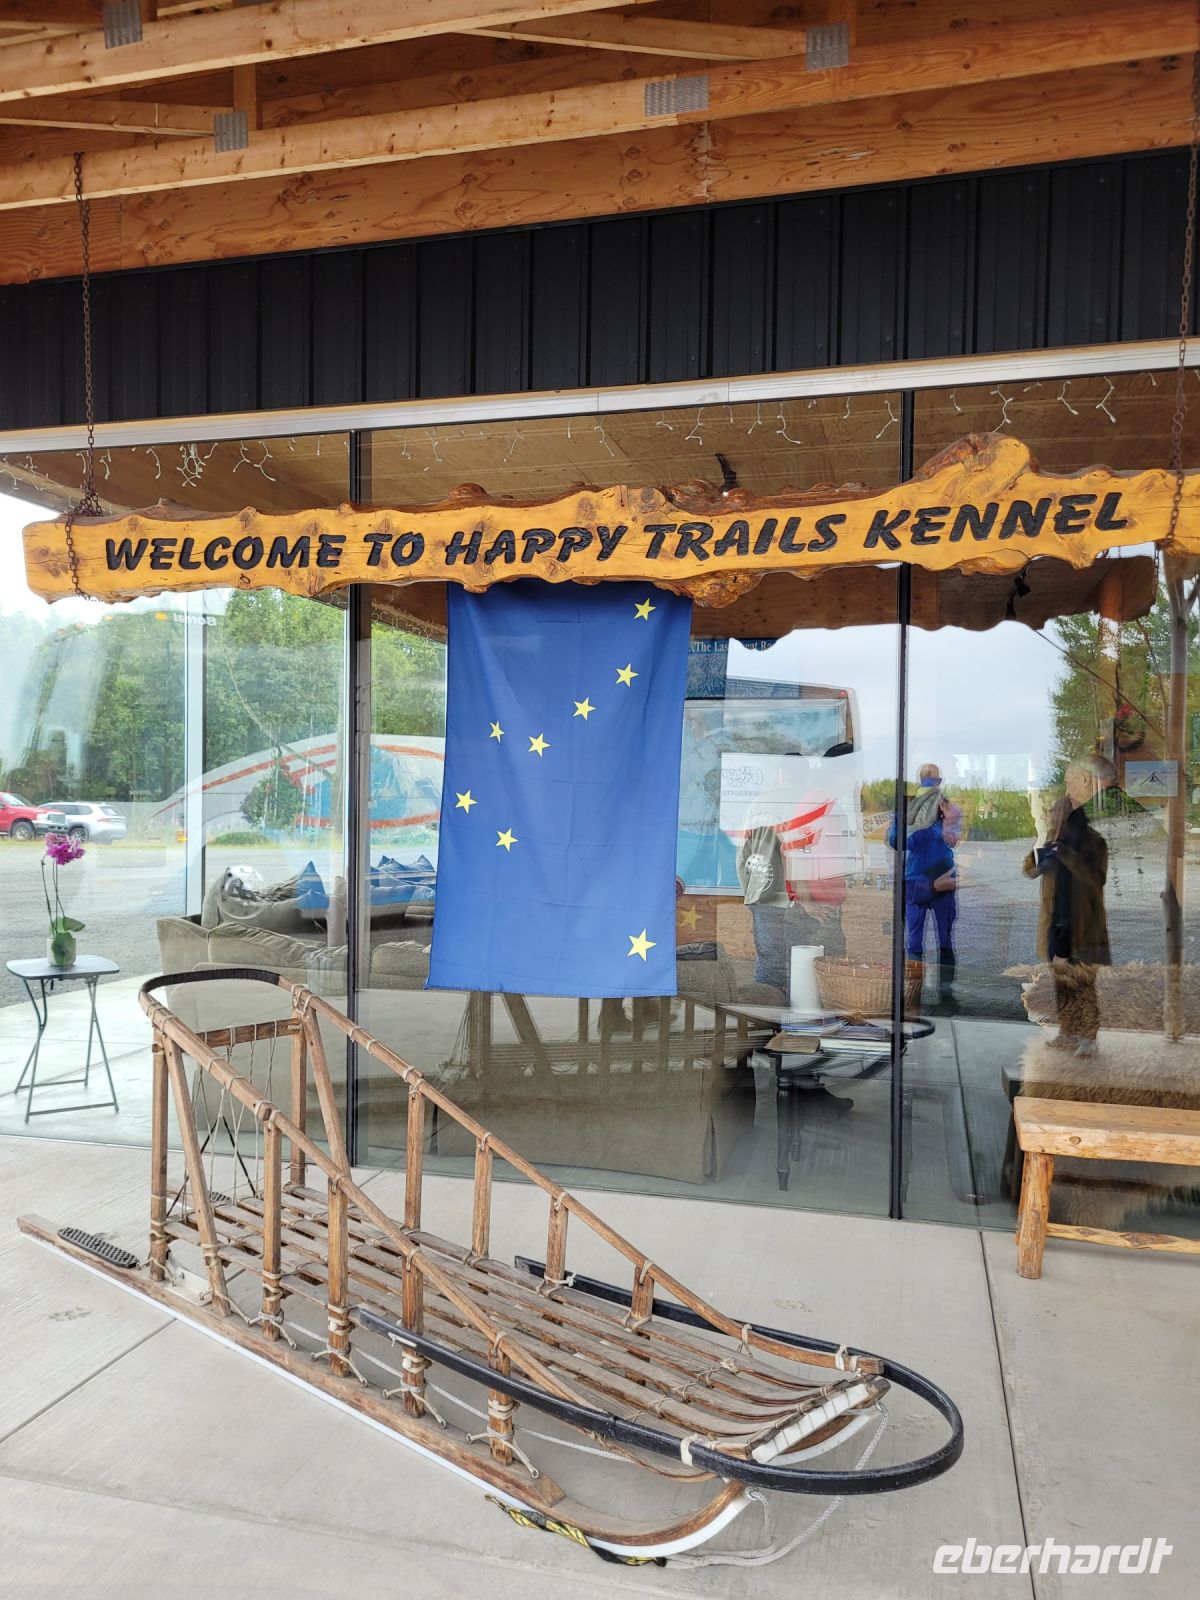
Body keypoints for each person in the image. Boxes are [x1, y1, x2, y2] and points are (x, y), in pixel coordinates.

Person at [1023, 762, 1111, 1056]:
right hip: (1056, 927)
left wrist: (1067, 855)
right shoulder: (1051, 844)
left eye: (1053, 813)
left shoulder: (1093, 842)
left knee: (1083, 985)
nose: (1048, 817)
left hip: (1082, 928)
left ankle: (1088, 1038)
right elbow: (1029, 870)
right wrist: (1044, 844)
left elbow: (1096, 879)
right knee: (1062, 984)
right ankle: (1068, 1033)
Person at [888, 763, 961, 1001]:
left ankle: (945, 994)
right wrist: (922, 830)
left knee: (944, 940)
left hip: (940, 879)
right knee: (915, 942)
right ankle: (914, 994)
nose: (930, 783)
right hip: (916, 882)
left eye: (933, 780)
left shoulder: (946, 806)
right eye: (927, 779)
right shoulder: (907, 807)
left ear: (939, 782)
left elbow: (954, 838)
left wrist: (941, 823)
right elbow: (896, 840)